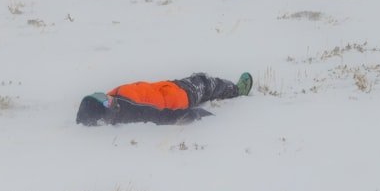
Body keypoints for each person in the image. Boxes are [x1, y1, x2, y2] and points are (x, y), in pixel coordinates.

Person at [76, 72, 252, 126]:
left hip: (167, 87)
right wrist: (194, 114)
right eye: (104, 101)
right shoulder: (130, 110)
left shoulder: (116, 100)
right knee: (205, 82)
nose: (107, 97)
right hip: (181, 96)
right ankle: (237, 90)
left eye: (101, 95)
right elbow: (162, 116)